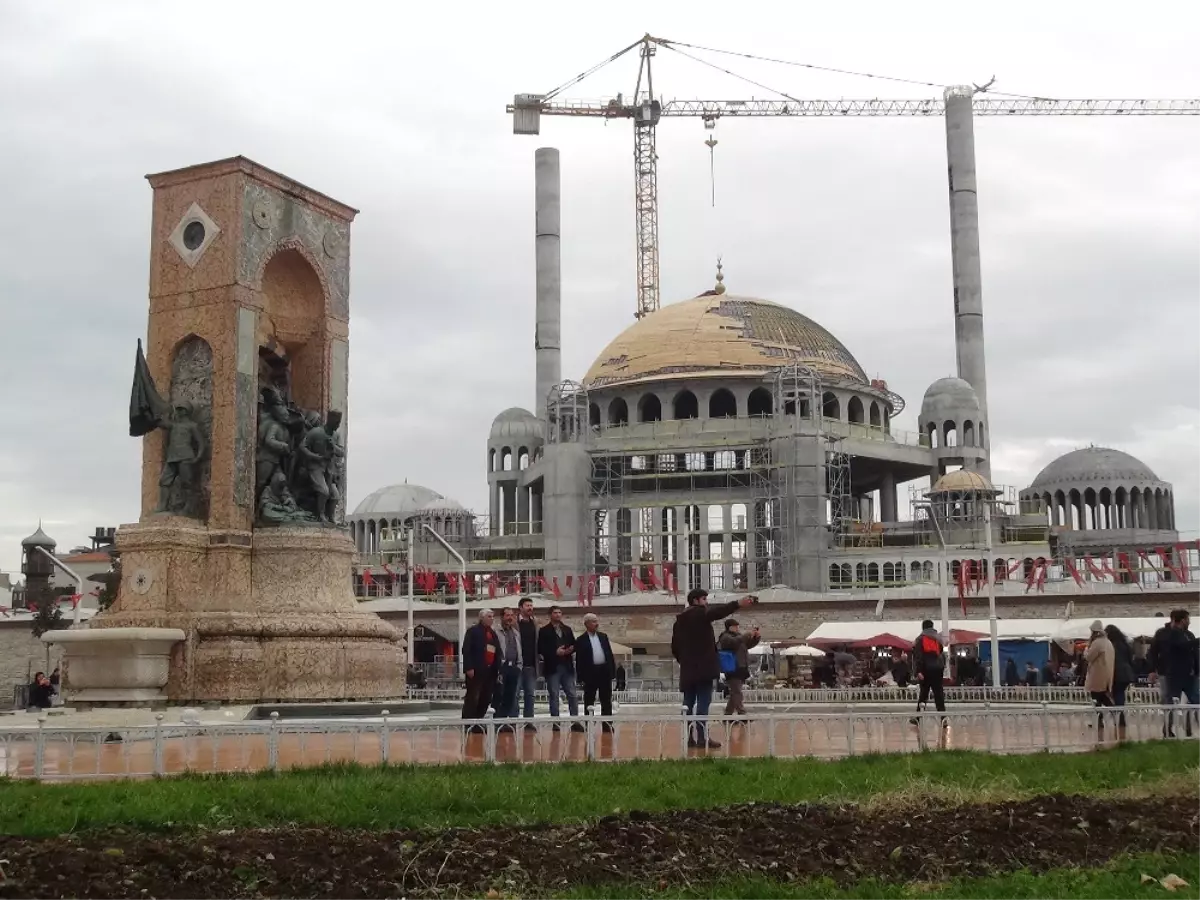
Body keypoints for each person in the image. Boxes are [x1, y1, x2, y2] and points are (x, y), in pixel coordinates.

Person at [671, 588, 755, 749]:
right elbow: (718, 612)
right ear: (695, 600)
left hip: (688, 669)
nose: (706, 602)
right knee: (703, 702)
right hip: (703, 668)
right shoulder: (700, 614)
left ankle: (689, 737)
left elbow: (675, 647)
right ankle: (702, 738)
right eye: (704, 599)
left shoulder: (679, 621)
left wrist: (684, 660)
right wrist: (738, 603)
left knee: (687, 703)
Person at [538, 605, 581, 730]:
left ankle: (575, 721)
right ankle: (555, 722)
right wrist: (554, 652)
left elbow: (574, 643)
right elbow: (541, 648)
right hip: (553, 667)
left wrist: (570, 649)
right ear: (550, 615)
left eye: (560, 612)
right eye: (555, 613)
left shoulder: (567, 629)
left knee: (572, 694)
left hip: (567, 666)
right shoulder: (544, 631)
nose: (558, 615)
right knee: (554, 695)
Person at [461, 609, 502, 727]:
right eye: (489, 616)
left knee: (486, 698)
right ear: (482, 618)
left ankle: (478, 723)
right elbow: (466, 650)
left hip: (490, 672)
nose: (492, 619)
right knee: (473, 697)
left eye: (493, 616)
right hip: (476, 670)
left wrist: (498, 668)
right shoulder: (473, 631)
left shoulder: (493, 634)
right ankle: (468, 724)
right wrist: (468, 667)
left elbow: (497, 651)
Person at [574, 613, 616, 725]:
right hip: (590, 674)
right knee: (589, 700)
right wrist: (580, 677)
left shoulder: (603, 636)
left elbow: (609, 654)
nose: (596, 624)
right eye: (593, 621)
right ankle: (589, 725)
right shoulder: (581, 640)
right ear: (586, 624)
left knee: (606, 700)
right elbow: (579, 660)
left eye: (596, 621)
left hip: (604, 671)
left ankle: (607, 725)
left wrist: (612, 672)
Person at [717, 618, 761, 721]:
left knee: (735, 692)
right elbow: (735, 642)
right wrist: (746, 635)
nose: (737, 628)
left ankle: (727, 715)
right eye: (736, 626)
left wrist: (755, 638)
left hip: (741, 667)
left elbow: (747, 645)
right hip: (732, 667)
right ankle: (742, 714)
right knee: (737, 691)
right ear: (730, 627)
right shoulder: (725, 637)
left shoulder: (738, 637)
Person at [910, 620, 946, 725]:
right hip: (938, 670)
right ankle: (943, 719)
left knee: (924, 694)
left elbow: (918, 657)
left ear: (923, 627)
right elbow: (941, 653)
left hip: (926, 670)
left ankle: (918, 718)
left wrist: (918, 671)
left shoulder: (920, 639)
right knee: (939, 695)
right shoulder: (938, 639)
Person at [1084, 620, 1115, 734]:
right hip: (1106, 675)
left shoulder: (1097, 643)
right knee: (1102, 697)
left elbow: (1089, 657)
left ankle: (1101, 720)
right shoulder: (1108, 642)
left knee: (1097, 699)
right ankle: (1114, 714)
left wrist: (1086, 650)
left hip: (1097, 675)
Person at [494, 607, 524, 723]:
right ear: (502, 617)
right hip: (501, 668)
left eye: (512, 615)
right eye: (507, 615)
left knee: (510, 696)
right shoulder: (496, 632)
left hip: (514, 668)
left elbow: (519, 649)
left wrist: (519, 666)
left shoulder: (516, 633)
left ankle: (506, 722)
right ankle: (497, 721)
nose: (510, 618)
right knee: (499, 695)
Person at [1105, 623, 1135, 739]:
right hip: (1127, 673)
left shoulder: (1111, 645)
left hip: (1117, 673)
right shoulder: (1125, 644)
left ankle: (1119, 717)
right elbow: (1130, 659)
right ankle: (1120, 717)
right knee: (1120, 695)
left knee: (1116, 695)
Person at [516, 598, 540, 728]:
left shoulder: (535, 623)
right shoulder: (514, 622)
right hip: (517, 665)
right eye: (527, 605)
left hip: (531, 665)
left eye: (531, 605)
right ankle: (513, 721)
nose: (530, 608)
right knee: (515, 695)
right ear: (520, 608)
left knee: (530, 695)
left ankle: (529, 721)